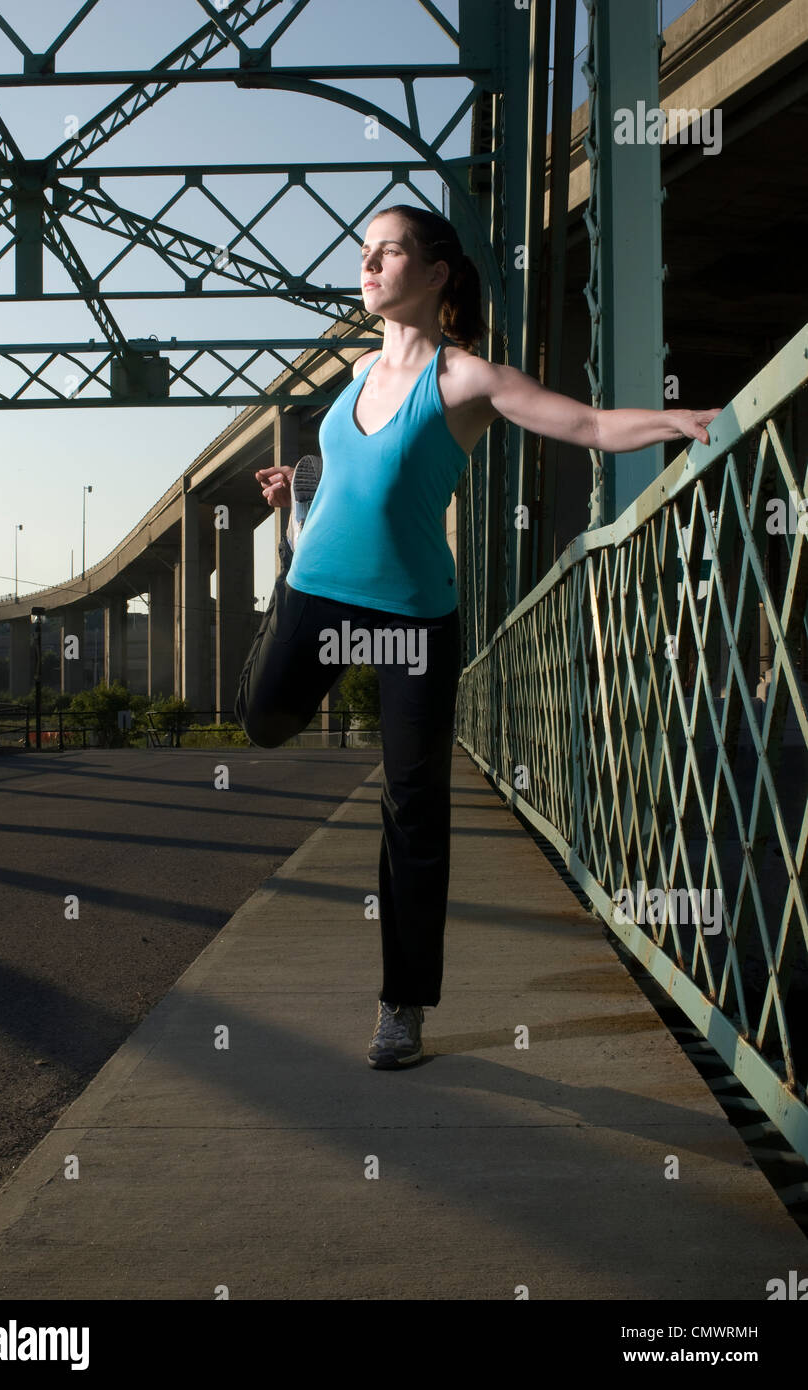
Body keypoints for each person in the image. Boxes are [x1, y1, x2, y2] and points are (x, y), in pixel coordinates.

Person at [236, 203, 720, 1070]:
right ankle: (288, 564)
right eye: (365, 250)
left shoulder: (468, 381)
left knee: (414, 806)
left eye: (389, 251)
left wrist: (677, 423)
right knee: (263, 723)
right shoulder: (352, 374)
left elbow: (591, 426)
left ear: (436, 273)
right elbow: (346, 483)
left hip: (415, 618)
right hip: (314, 593)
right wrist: (299, 503)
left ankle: (402, 1008)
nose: (370, 264)